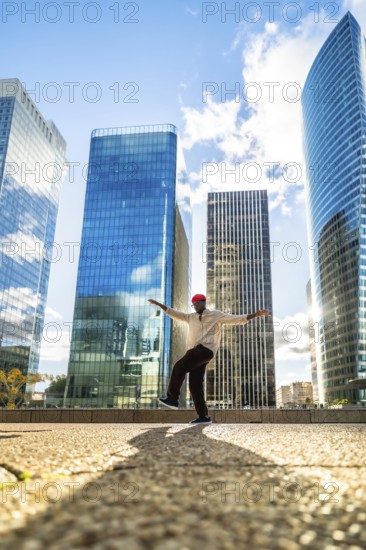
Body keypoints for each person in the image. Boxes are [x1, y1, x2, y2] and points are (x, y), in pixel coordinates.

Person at [148, 294, 268, 425]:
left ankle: (172, 399)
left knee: (179, 366)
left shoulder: (215, 315)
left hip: (205, 350)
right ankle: (204, 417)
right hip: (195, 352)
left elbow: (235, 319)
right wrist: (160, 305)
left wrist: (255, 315)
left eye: (197, 303)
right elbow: (175, 313)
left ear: (204, 302)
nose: (195, 306)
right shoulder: (190, 317)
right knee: (195, 383)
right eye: (193, 305)